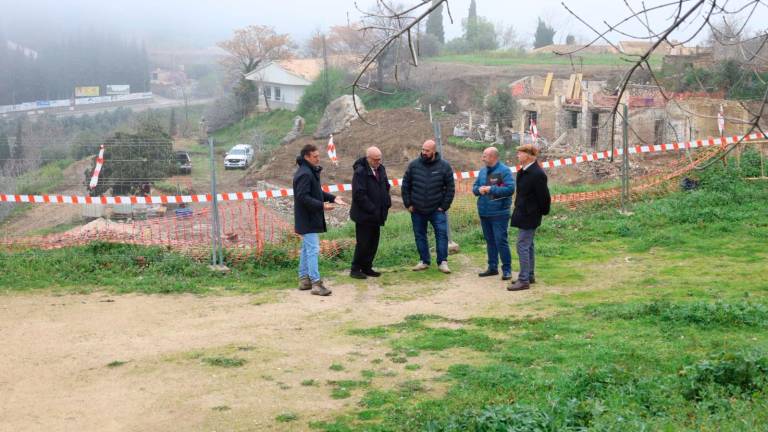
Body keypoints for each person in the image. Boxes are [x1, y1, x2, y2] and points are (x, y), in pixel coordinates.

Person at [293, 144, 346, 296]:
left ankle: (304, 280)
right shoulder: (305, 174)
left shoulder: (309, 172)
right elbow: (303, 197)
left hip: (307, 218)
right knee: (313, 250)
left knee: (306, 249)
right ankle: (316, 284)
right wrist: (321, 206)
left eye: (318, 155)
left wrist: (334, 198)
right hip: (308, 219)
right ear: (307, 157)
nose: (318, 158)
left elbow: (317, 192)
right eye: (315, 156)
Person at [401, 139, 455, 274]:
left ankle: (443, 262)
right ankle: (424, 261)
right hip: (417, 209)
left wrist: (444, 206)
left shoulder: (444, 166)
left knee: (442, 235)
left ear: (434, 151)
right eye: (423, 149)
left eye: (427, 150)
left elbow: (450, 188)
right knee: (420, 235)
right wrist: (408, 204)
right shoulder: (413, 165)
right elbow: (405, 185)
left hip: (437, 209)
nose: (424, 152)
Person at [508, 145, 551, 291]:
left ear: (529, 155)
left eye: (520, 153)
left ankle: (524, 280)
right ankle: (529, 275)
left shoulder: (537, 174)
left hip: (530, 215)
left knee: (522, 245)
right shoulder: (523, 172)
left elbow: (544, 197)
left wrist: (541, 212)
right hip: (522, 213)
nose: (518, 155)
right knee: (528, 245)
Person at [472, 147, 515, 280]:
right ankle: (492, 267)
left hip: (499, 213)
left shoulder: (504, 171)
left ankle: (507, 270)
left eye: (485, 156)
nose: (482, 158)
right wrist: (479, 189)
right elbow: (474, 188)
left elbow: (510, 189)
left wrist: (492, 189)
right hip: (484, 212)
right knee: (490, 241)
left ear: (493, 157)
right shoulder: (482, 171)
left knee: (501, 241)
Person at [349, 147, 391, 279]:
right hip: (364, 215)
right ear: (368, 158)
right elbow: (359, 194)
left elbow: (385, 185)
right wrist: (372, 208)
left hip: (377, 215)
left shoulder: (381, 169)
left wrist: (387, 201)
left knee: (373, 242)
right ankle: (355, 269)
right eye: (375, 160)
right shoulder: (360, 172)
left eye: (380, 159)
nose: (378, 162)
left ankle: (367, 267)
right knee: (363, 243)